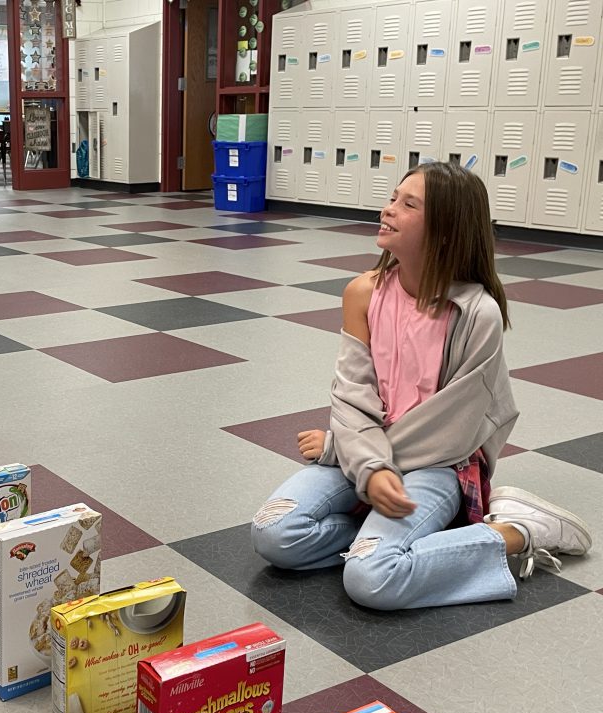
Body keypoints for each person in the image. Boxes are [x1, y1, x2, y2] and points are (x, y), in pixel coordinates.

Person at [251, 162, 592, 610]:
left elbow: (450, 431)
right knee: (273, 533)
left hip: (438, 465)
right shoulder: (362, 293)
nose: (388, 210)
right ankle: (381, 539)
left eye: (408, 205)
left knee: (372, 579)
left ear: (446, 231)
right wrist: (367, 466)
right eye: (394, 198)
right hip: (366, 455)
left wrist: (348, 455)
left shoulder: (476, 314)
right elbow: (352, 395)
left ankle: (514, 532)